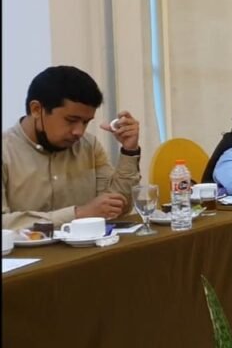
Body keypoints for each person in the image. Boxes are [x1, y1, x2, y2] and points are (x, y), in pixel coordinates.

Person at [2, 66, 141, 229]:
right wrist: (78, 214)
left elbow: (118, 208)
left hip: (86, 253)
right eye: (71, 120)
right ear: (36, 109)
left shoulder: (89, 146)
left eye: (85, 122)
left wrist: (129, 150)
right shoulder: (6, 151)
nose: (79, 132)